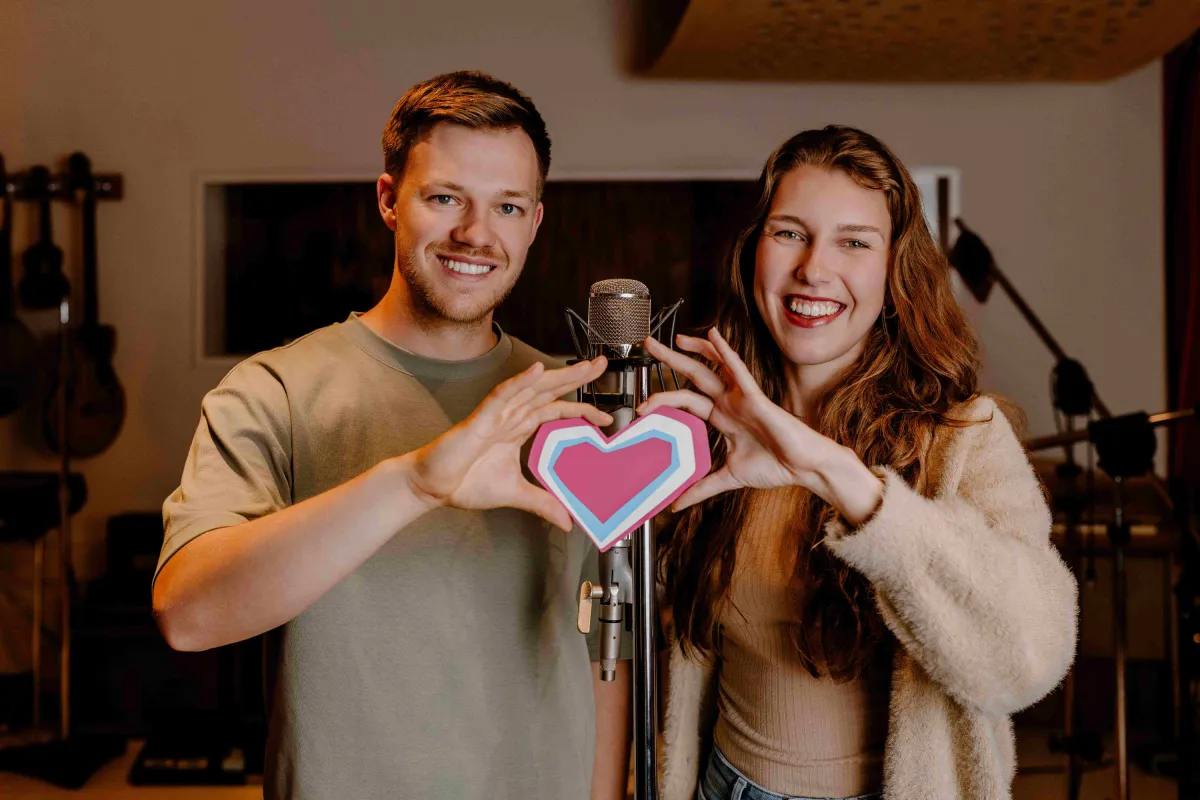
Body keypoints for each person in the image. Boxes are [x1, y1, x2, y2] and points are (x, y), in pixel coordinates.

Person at [152, 71, 632, 800]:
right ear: (388, 200)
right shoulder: (271, 394)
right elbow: (188, 615)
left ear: (535, 221)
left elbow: (607, 649)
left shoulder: (569, 405)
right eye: (446, 198)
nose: (476, 234)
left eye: (507, 205)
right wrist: (415, 483)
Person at [643, 125, 1078, 800]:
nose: (814, 268)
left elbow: (1027, 659)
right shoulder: (708, 416)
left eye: (853, 242)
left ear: (894, 271)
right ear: (754, 251)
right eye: (789, 233)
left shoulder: (964, 437)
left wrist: (839, 478)